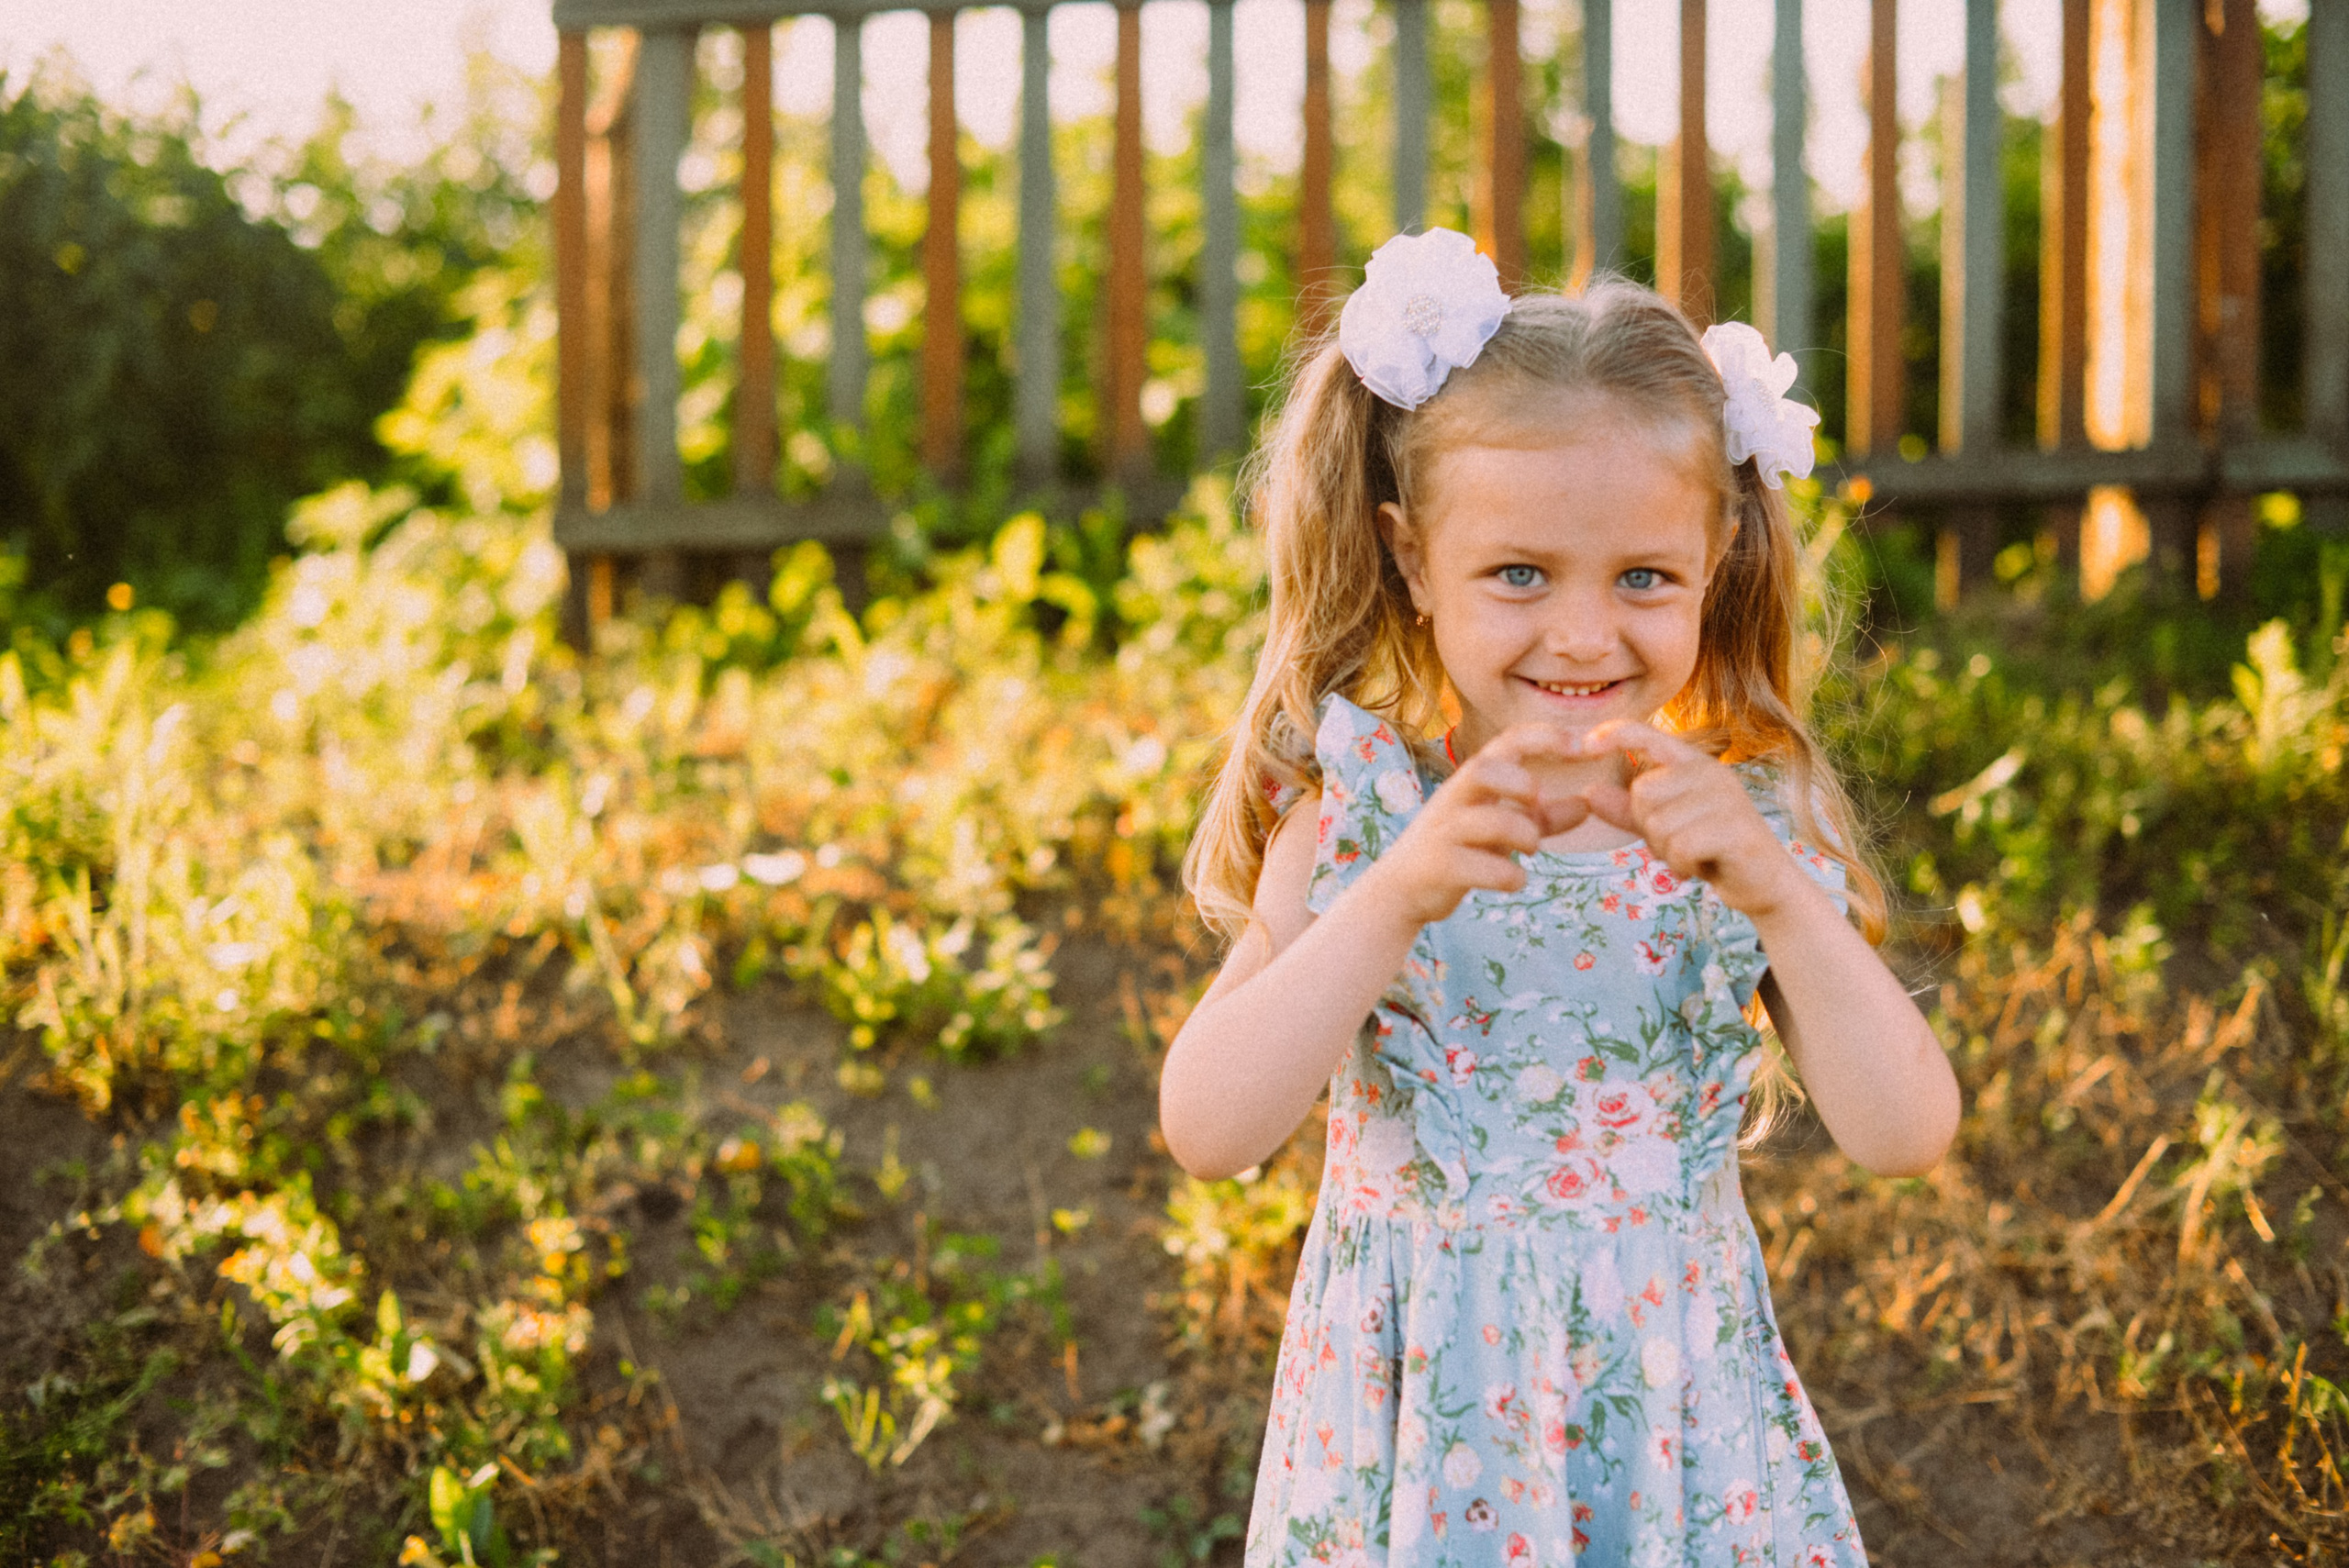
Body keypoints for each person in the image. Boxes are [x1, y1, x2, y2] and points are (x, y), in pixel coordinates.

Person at [1159, 228, 1961, 1567]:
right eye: (1520, 573)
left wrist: (1777, 897)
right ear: (1413, 562)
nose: (1584, 632)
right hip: (1426, 1436)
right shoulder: (1364, 818)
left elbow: (1906, 1130)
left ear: (1716, 562)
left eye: (1643, 577)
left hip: (1672, 1426)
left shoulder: (1745, 825)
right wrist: (1394, 898)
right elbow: (1208, 1125)